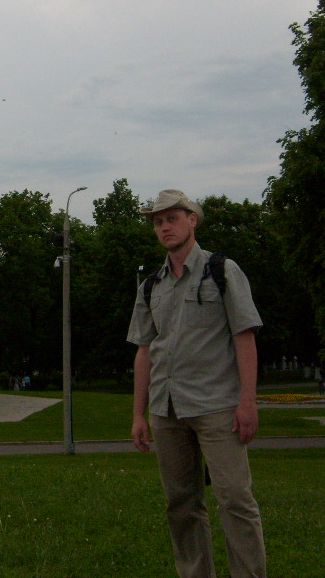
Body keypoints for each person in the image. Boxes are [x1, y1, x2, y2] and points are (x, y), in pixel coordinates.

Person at [128, 189, 266, 578]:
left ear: (192, 220)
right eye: (157, 222)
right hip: (166, 411)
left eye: (172, 218)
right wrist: (139, 414)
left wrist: (248, 402)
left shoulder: (222, 271)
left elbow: (245, 335)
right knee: (181, 504)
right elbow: (144, 350)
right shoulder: (151, 284)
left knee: (235, 500)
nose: (164, 227)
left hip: (217, 407)